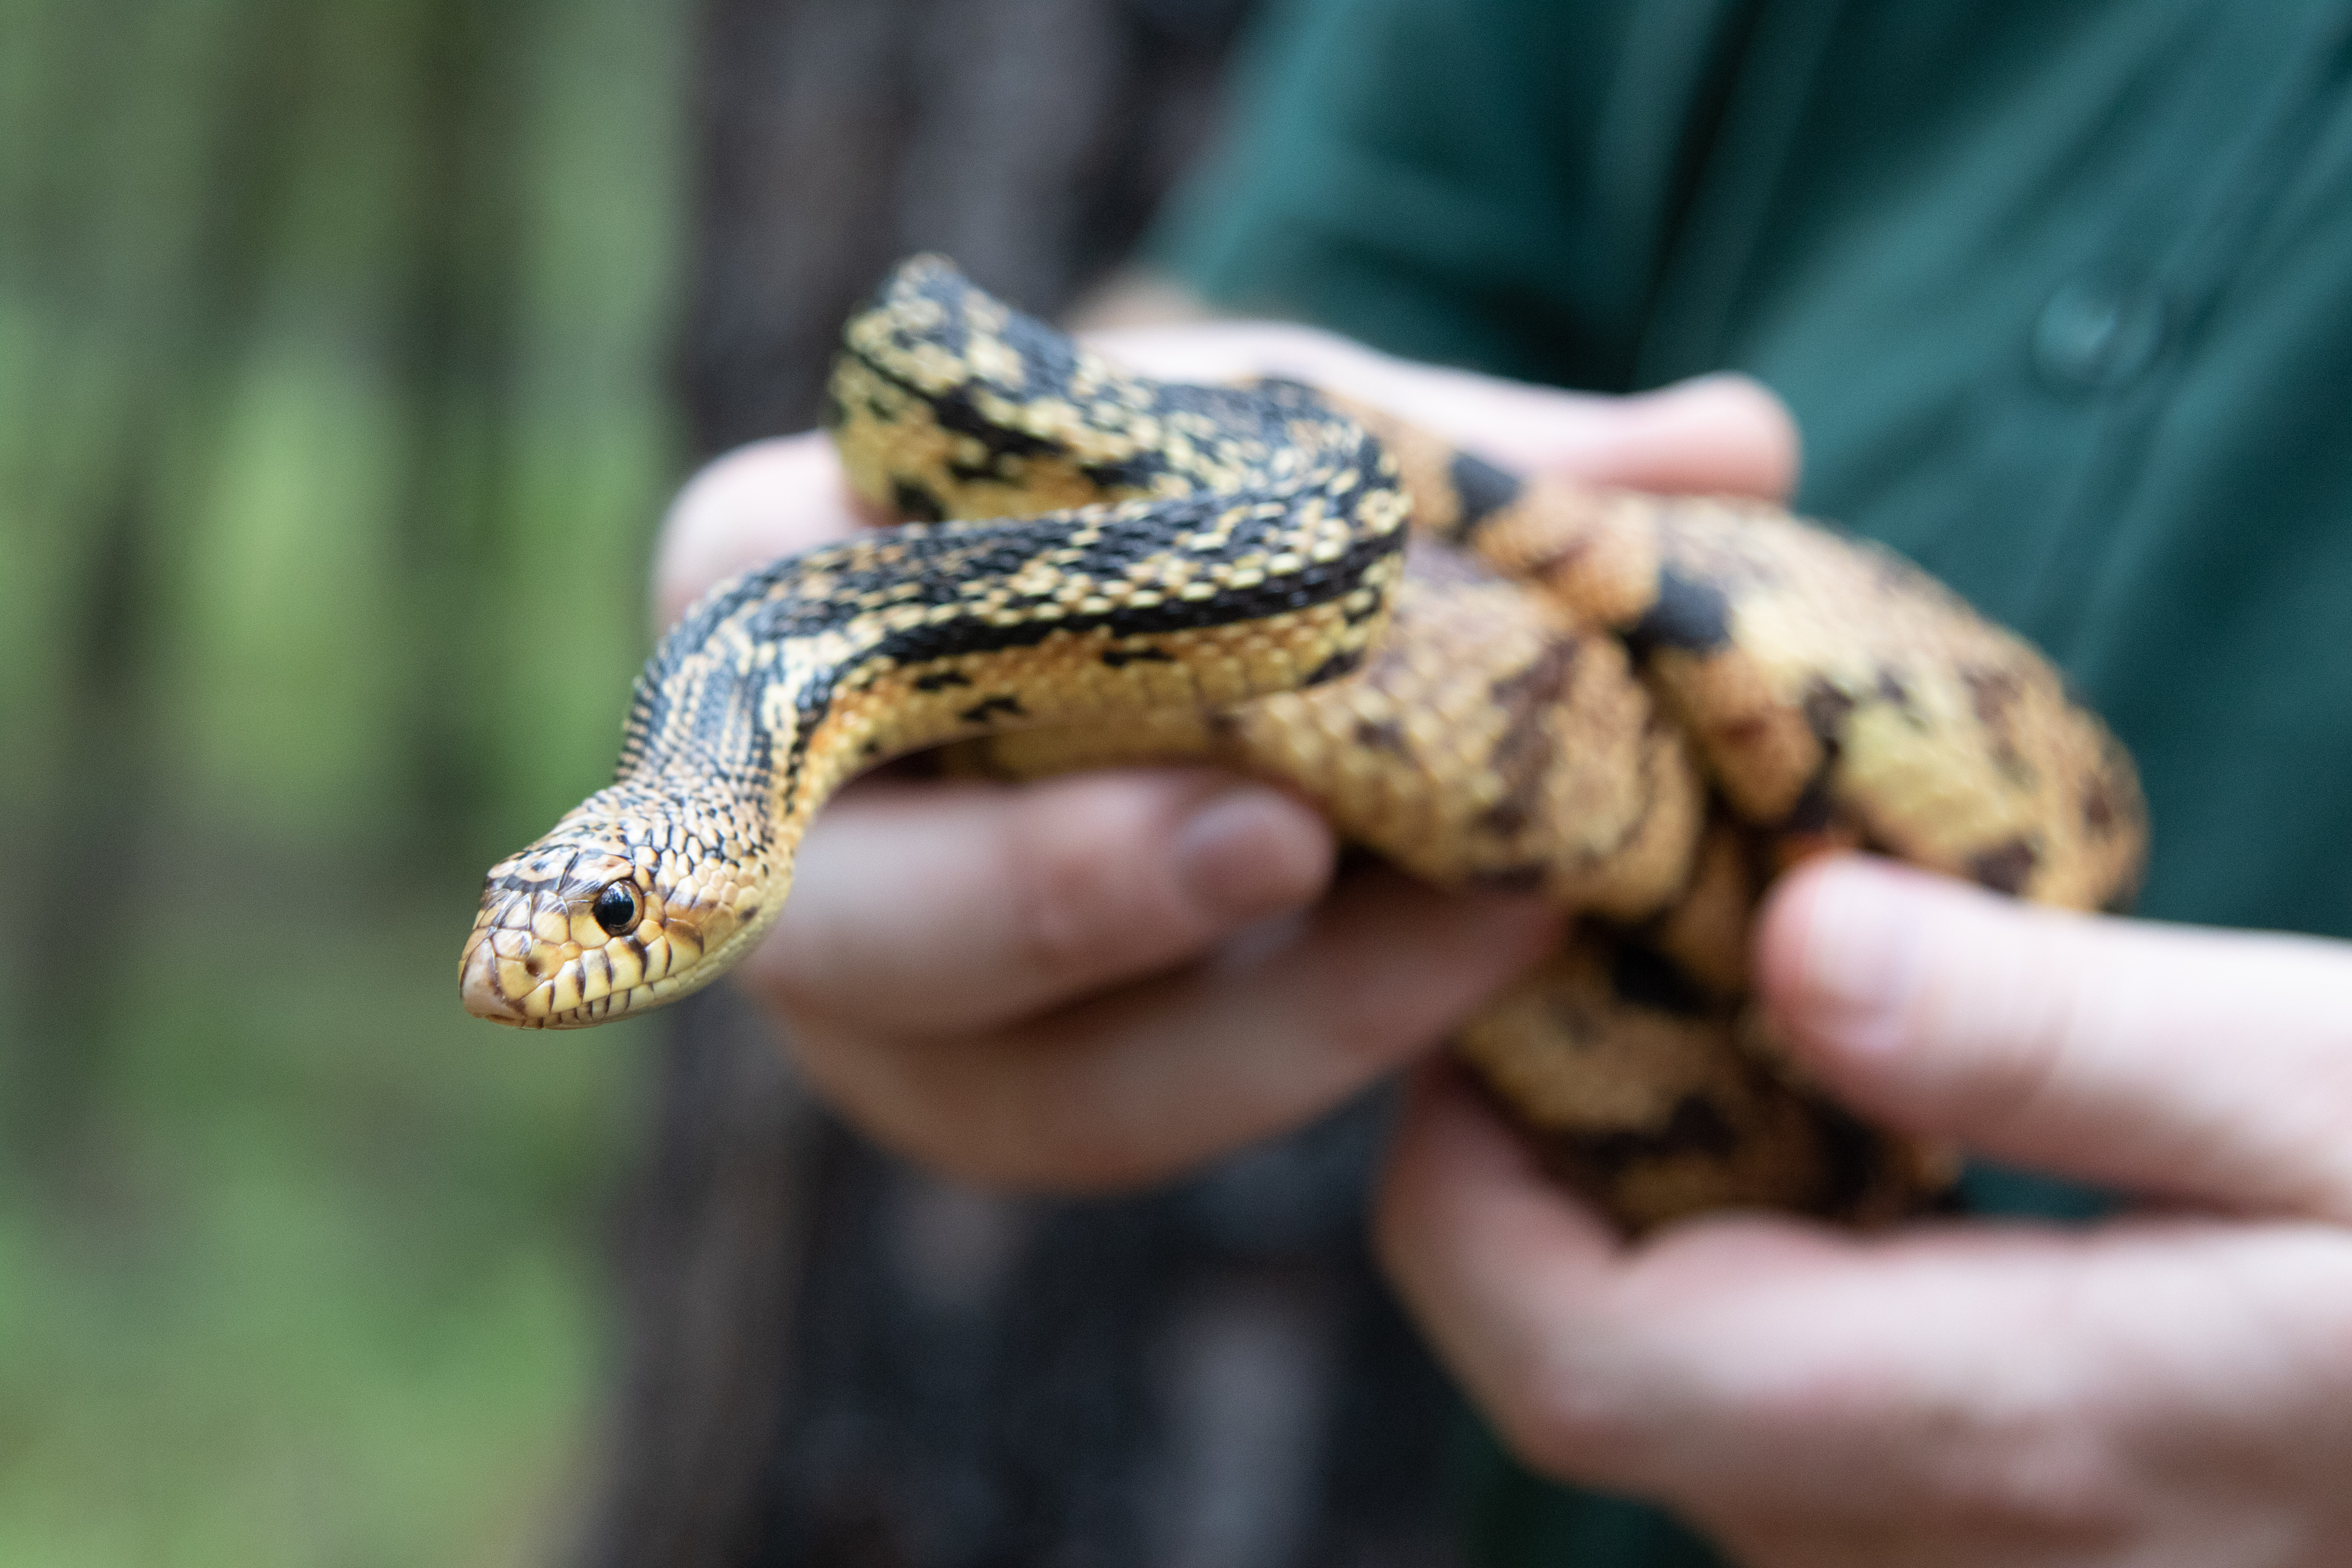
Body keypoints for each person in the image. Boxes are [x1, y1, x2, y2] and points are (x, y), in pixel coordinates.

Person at [655, 2, 2352, 1562]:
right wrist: (939, 693)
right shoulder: (807, 681)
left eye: (612, 909)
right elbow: (1258, 343)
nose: (545, 965)